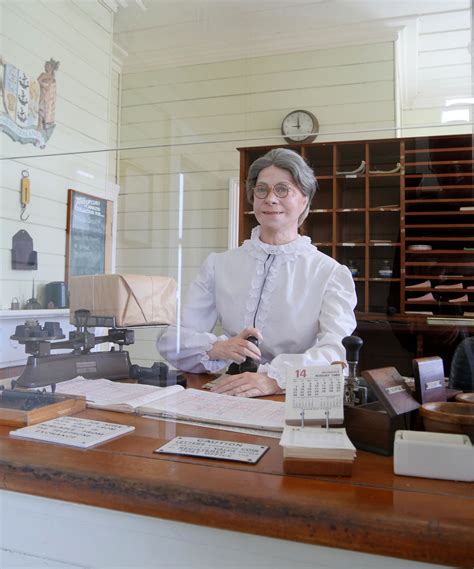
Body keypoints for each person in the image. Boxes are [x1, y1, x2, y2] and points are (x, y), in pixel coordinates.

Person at [158, 148, 357, 397]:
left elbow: (337, 354)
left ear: (305, 198)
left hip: (295, 396)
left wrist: (275, 379)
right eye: (262, 189)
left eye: (283, 189)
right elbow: (171, 340)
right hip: (230, 391)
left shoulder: (329, 273)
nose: (270, 199)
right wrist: (218, 347)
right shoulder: (218, 264)